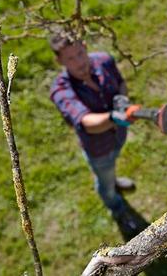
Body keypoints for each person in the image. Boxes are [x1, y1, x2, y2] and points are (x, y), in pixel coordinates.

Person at [49, 33, 140, 232]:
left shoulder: (104, 61)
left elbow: (121, 83)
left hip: (118, 136)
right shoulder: (61, 90)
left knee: (111, 166)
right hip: (98, 148)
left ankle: (113, 180)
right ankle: (117, 207)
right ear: (59, 61)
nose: (80, 62)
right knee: (104, 180)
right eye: (70, 58)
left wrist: (122, 101)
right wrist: (114, 117)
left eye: (80, 53)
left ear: (84, 45)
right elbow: (86, 122)